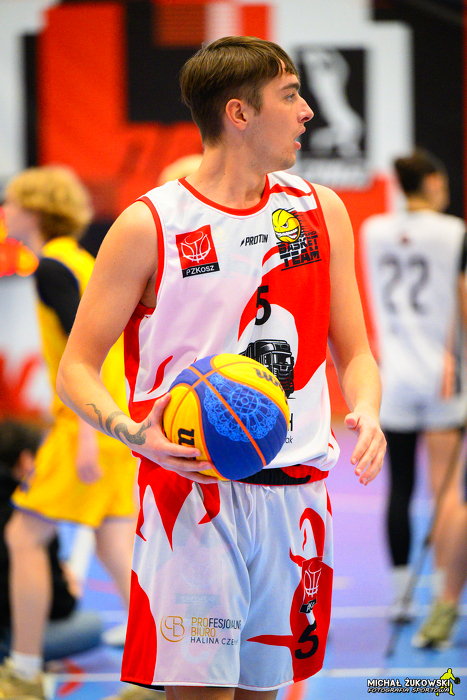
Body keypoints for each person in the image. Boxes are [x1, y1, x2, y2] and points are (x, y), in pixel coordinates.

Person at [56, 36, 386, 700]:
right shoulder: (149, 225)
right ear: (239, 113)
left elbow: (352, 350)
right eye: (289, 96)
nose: (307, 112)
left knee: (264, 693)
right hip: (192, 494)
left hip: (296, 495)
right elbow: (75, 369)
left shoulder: (320, 211)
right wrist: (131, 431)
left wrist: (368, 409)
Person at [0, 165, 138, 700]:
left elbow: (87, 358)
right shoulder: (81, 260)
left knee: (23, 536)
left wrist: (85, 436)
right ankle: (165, 668)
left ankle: (24, 671)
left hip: (87, 424)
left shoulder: (53, 268)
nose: (6, 211)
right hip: (109, 421)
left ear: (36, 211)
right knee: (117, 548)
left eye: (13, 202)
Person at [360, 149, 467, 644]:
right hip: (444, 377)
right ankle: (446, 598)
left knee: (399, 486)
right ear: (432, 182)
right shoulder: (454, 232)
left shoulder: (374, 230)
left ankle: (401, 596)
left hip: (394, 375)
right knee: (446, 491)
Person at [0, 419, 102, 663]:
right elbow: (58, 604)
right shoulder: (31, 516)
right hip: (8, 632)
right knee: (93, 625)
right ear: (26, 460)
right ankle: (24, 661)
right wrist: (69, 589)